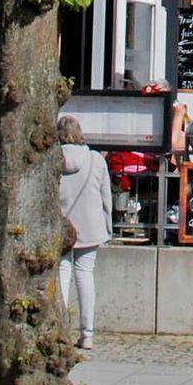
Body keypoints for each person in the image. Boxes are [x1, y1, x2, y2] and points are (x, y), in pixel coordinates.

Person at [56, 116, 115, 352]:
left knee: (61, 275)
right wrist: (108, 226)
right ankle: (87, 333)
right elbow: (106, 197)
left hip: (62, 225)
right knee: (85, 276)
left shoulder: (54, 159)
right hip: (91, 225)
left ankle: (60, 329)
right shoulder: (96, 159)